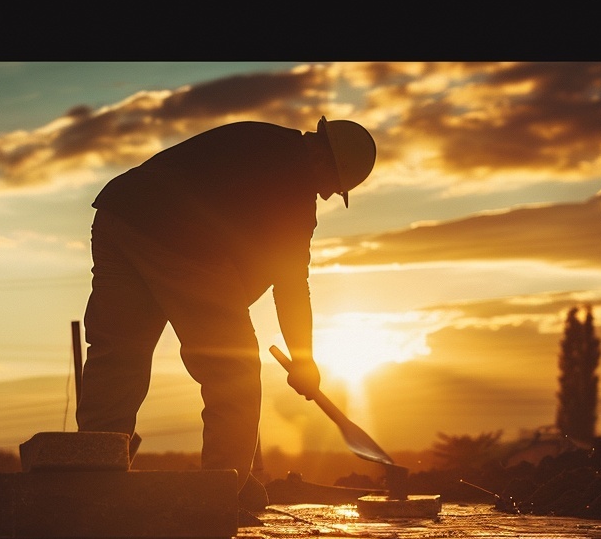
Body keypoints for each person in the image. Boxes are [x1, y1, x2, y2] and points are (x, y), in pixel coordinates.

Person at [75, 116, 377, 511]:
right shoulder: (294, 187)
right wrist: (304, 360)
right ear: (325, 161)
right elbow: (290, 287)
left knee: (117, 357)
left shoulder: (258, 136)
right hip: (182, 239)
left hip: (120, 213)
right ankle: (221, 494)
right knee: (234, 369)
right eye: (333, 186)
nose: (326, 195)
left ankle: (93, 482)